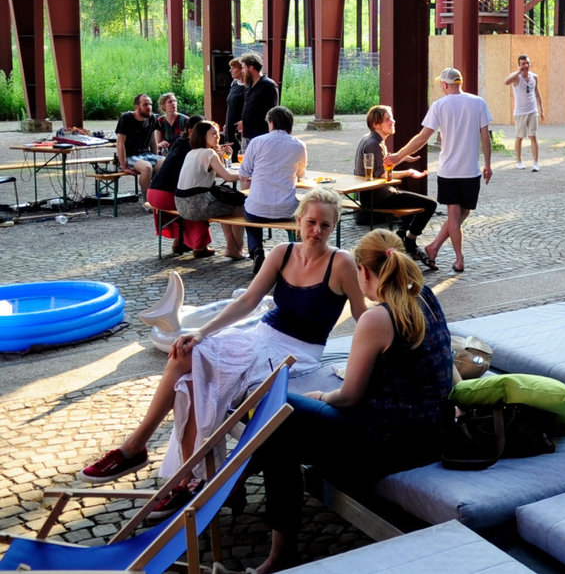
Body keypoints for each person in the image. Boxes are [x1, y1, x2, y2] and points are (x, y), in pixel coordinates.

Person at [80, 190, 363, 521]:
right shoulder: (283, 253)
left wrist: (369, 357)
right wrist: (201, 332)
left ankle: (181, 474)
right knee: (188, 353)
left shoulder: (341, 262)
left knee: (198, 376)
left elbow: (363, 315)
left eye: (325, 226)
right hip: (261, 335)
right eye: (311, 222)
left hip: (298, 352)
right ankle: (150, 453)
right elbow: (247, 303)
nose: (317, 231)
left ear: (334, 227)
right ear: (298, 221)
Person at [250, 229, 453, 573]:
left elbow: (349, 396)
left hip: (387, 447)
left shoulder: (377, 318)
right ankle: (248, 480)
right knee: (281, 421)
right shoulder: (426, 296)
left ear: (364, 272)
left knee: (278, 411)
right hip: (433, 434)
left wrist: (321, 395)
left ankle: (279, 551)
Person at [384, 67, 493, 274]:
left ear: (444, 85)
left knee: (459, 214)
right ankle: (459, 259)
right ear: (460, 82)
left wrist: (398, 156)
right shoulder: (478, 103)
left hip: (449, 171)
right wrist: (488, 164)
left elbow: (422, 138)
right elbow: (485, 136)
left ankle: (433, 247)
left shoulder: (440, 105)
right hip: (471, 170)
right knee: (459, 213)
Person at [353, 105, 437, 270]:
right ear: (376, 125)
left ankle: (401, 233)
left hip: (377, 195)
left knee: (408, 197)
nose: (393, 121)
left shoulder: (372, 140)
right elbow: (381, 174)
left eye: (391, 117)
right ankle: (410, 241)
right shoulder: (373, 144)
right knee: (430, 204)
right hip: (378, 198)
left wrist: (404, 157)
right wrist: (408, 172)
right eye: (387, 119)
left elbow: (386, 165)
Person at [240, 106, 307, 272]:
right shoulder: (299, 145)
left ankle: (256, 250)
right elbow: (301, 174)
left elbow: (244, 172)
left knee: (249, 208)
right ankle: (295, 252)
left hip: (258, 207)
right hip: (287, 209)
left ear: (271, 122)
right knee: (301, 209)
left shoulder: (257, 142)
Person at [173, 120, 246, 260]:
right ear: (202, 135)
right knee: (241, 207)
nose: (217, 137)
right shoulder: (208, 153)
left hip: (181, 204)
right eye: (213, 134)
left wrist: (222, 156)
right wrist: (249, 176)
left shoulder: (192, 153)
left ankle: (232, 247)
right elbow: (228, 176)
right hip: (198, 203)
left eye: (218, 134)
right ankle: (237, 248)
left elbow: (218, 173)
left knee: (226, 205)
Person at [148, 114, 210, 256]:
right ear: (190, 131)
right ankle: (200, 247)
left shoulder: (179, 142)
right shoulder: (194, 149)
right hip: (166, 194)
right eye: (202, 129)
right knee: (197, 204)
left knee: (185, 199)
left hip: (154, 191)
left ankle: (179, 242)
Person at [116, 93, 164, 202]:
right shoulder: (126, 118)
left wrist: (156, 157)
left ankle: (159, 196)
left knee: (167, 163)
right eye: (145, 105)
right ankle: (146, 200)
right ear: (137, 106)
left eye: (150, 104)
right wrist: (124, 166)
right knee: (147, 167)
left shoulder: (152, 118)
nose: (149, 107)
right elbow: (120, 143)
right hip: (130, 155)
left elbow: (153, 140)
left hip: (147, 154)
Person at [503, 53, 544, 171]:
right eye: (523, 64)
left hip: (532, 110)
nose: (526, 66)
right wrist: (518, 71)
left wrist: (541, 109)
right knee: (520, 136)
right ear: (519, 65)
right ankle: (519, 161)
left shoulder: (534, 77)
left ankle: (536, 162)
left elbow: (537, 93)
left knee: (533, 135)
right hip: (520, 112)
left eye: (527, 63)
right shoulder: (516, 77)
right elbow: (506, 82)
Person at [238, 52, 280, 143]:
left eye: (244, 67)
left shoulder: (268, 85)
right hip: (248, 134)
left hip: (261, 135)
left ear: (251, 68)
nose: (242, 71)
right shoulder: (249, 85)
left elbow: (272, 112)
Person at [223, 57, 247, 162]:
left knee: (241, 153)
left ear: (242, 69)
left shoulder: (249, 86)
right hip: (230, 125)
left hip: (241, 128)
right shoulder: (234, 84)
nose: (230, 70)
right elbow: (231, 105)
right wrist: (226, 124)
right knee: (230, 153)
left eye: (233, 68)